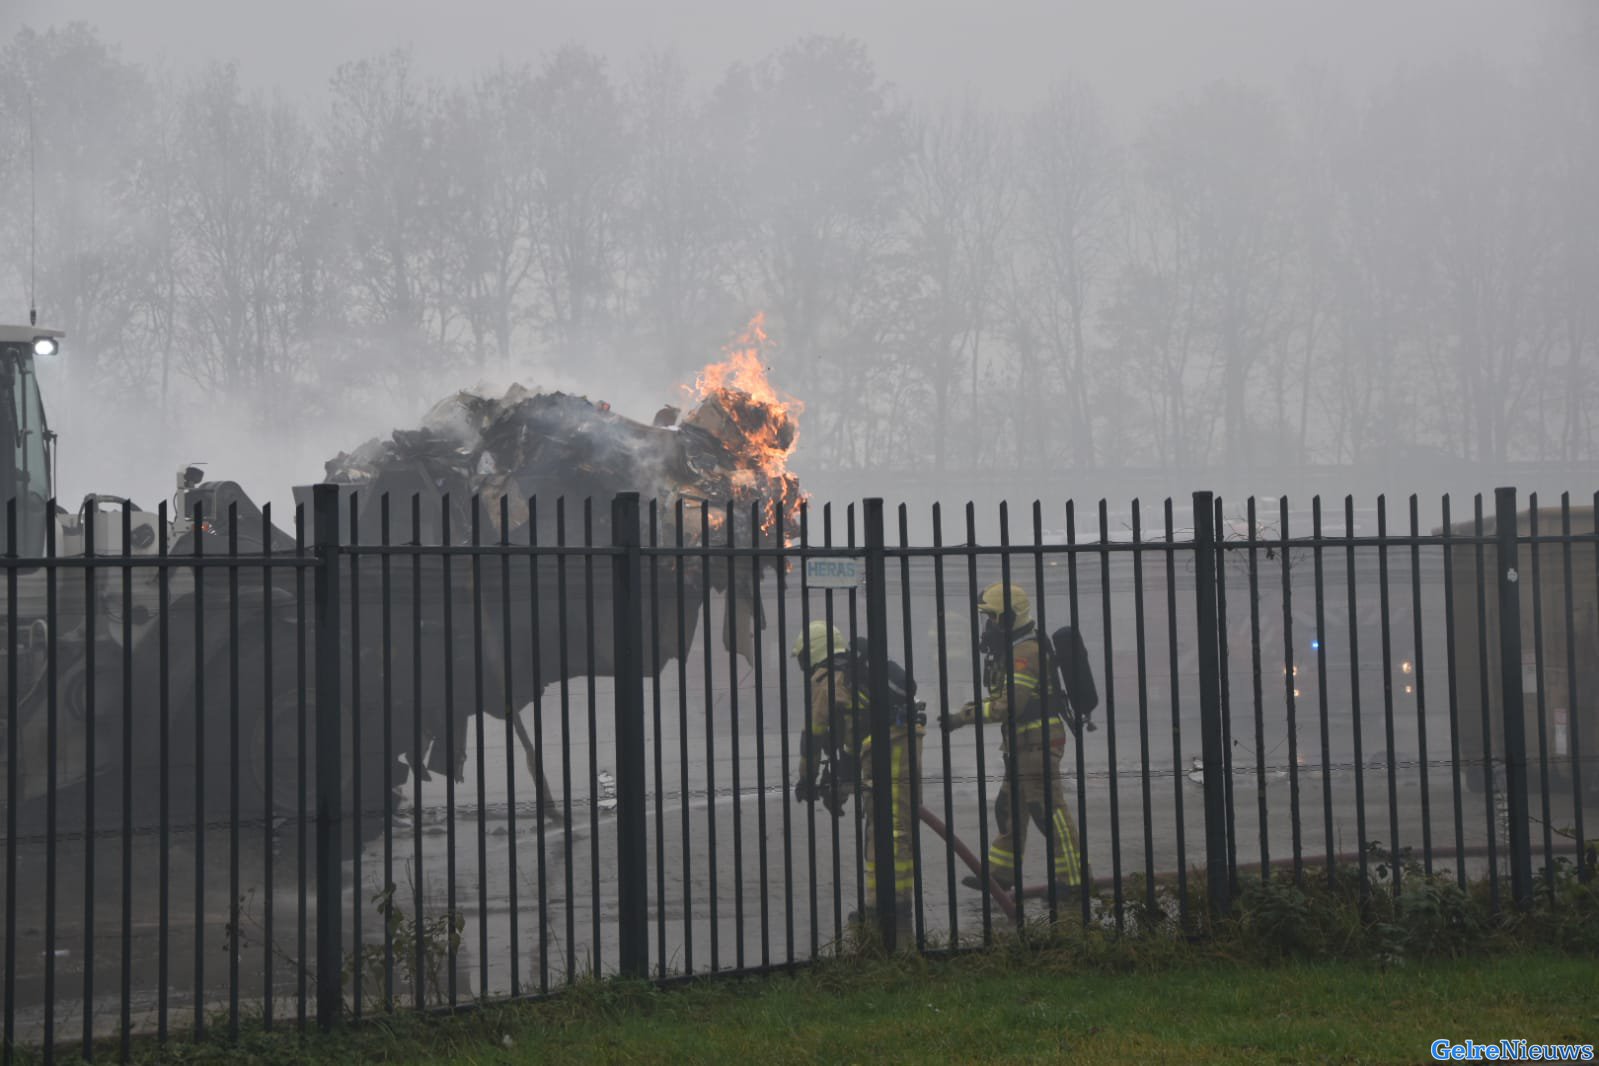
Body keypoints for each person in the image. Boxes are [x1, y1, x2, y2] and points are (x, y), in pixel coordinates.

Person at [941, 583, 1083, 900]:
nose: (988, 626)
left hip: (1037, 745)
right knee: (1009, 809)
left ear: (1011, 617)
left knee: (1050, 813)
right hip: (1020, 747)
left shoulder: (1025, 653)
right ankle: (1001, 875)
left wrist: (961, 717)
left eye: (993, 618)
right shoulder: (1013, 650)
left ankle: (1073, 880)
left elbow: (1009, 705)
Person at [791, 622, 925, 935]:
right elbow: (853, 741)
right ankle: (890, 903)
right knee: (890, 826)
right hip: (893, 742)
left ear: (812, 654)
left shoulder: (827, 682)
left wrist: (806, 780)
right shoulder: (848, 675)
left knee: (887, 828)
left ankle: (889, 909)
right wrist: (838, 783)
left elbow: (812, 737)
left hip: (888, 745)